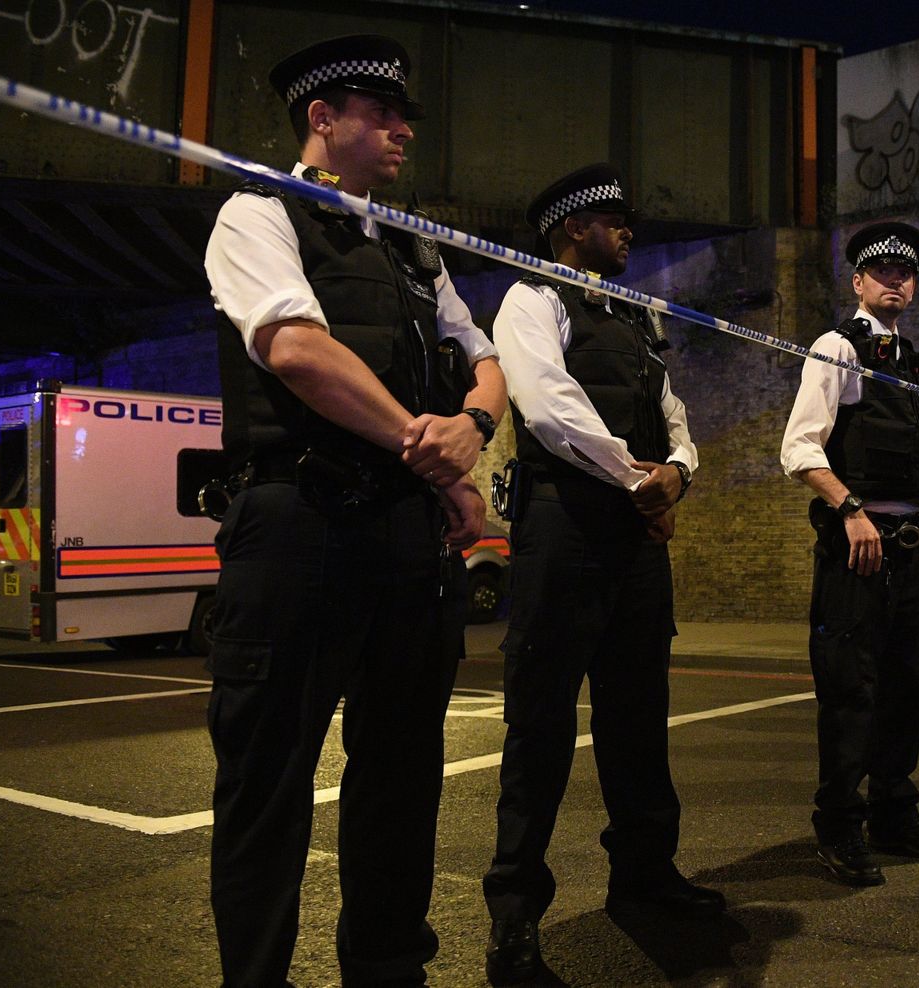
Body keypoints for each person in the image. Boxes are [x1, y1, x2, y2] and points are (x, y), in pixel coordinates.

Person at [202, 35, 506, 987]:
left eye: (402, 113)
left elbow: (485, 358)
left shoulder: (415, 249)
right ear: (322, 121)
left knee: (402, 778)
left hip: (402, 539)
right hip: (299, 523)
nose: (402, 127)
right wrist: (432, 445)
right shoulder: (259, 212)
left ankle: (387, 970)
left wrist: (471, 429)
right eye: (380, 113)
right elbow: (294, 348)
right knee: (269, 782)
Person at [483, 164, 718, 985]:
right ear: (570, 228)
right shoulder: (532, 299)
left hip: (634, 537)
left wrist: (678, 475)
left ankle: (645, 877)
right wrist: (638, 480)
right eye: (614, 220)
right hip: (566, 530)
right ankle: (515, 918)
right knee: (539, 728)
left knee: (638, 718)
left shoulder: (639, 319)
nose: (628, 232)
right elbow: (546, 404)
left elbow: (678, 418)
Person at [780, 221, 919, 887]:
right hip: (855, 551)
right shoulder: (838, 347)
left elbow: (912, 446)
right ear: (858, 282)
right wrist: (849, 508)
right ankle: (839, 824)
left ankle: (894, 813)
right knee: (850, 692)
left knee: (901, 692)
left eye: (905, 272)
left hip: (905, 552)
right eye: (881, 271)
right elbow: (800, 447)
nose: (895, 279)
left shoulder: (915, 363)